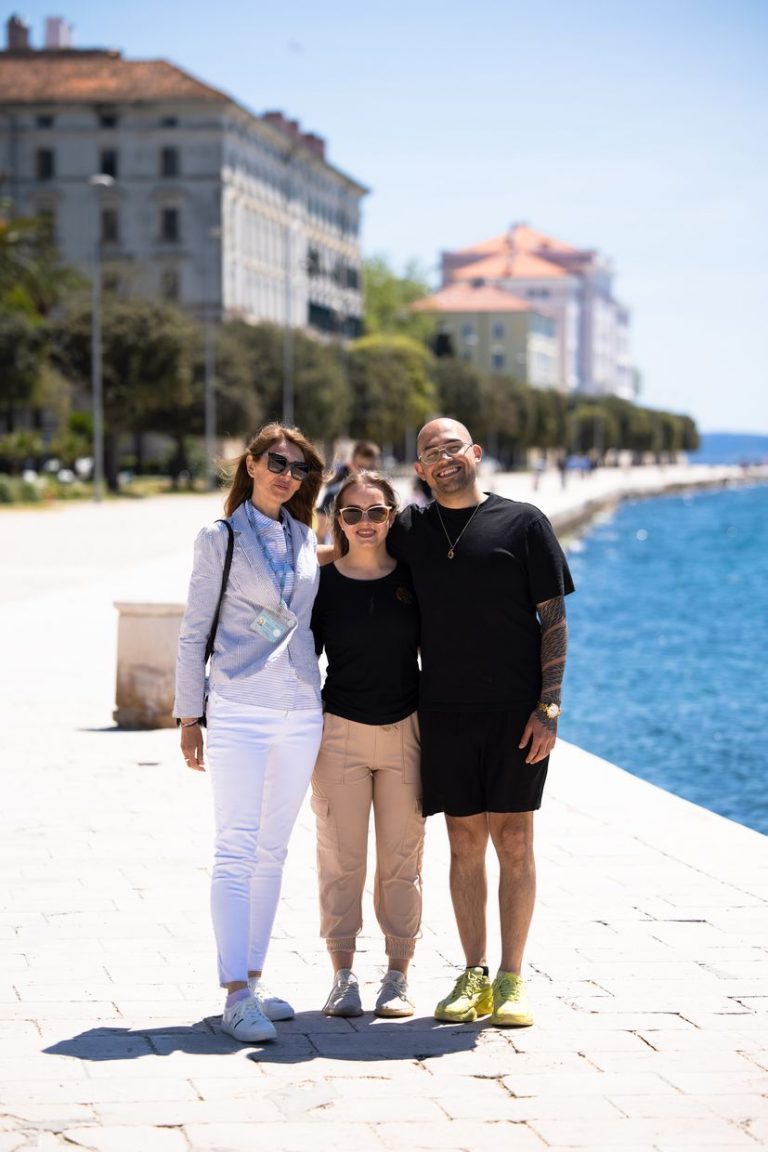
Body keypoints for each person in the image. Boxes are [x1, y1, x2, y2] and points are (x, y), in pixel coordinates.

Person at [386, 416, 574, 1028]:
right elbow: (354, 551)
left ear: (476, 453)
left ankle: (512, 979)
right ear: (420, 469)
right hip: (443, 712)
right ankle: (474, 975)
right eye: (430, 452)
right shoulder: (411, 529)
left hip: (516, 714)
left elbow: (554, 622)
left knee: (515, 841)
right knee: (463, 843)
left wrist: (549, 708)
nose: (444, 458)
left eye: (453, 447)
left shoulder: (524, 523)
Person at [174, 422, 324, 1044]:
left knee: (274, 851)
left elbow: (301, 616)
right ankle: (235, 992)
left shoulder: (307, 536)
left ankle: (255, 981)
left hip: (302, 708)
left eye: (297, 468)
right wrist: (189, 716)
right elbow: (193, 630)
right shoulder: (221, 538)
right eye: (276, 463)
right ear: (252, 465)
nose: (287, 475)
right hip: (238, 706)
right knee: (236, 848)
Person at [311, 471, 423, 1018]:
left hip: (406, 733)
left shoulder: (415, 579)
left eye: (375, 512)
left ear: (391, 516)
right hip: (338, 736)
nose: (364, 523)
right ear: (338, 520)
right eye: (352, 513)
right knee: (340, 860)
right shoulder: (320, 583)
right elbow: (285, 650)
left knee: (402, 862)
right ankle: (343, 977)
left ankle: (397, 977)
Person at [315, 440, 381, 542]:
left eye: (370, 468)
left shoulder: (382, 497)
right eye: (361, 467)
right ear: (351, 464)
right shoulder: (333, 495)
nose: (366, 473)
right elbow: (321, 534)